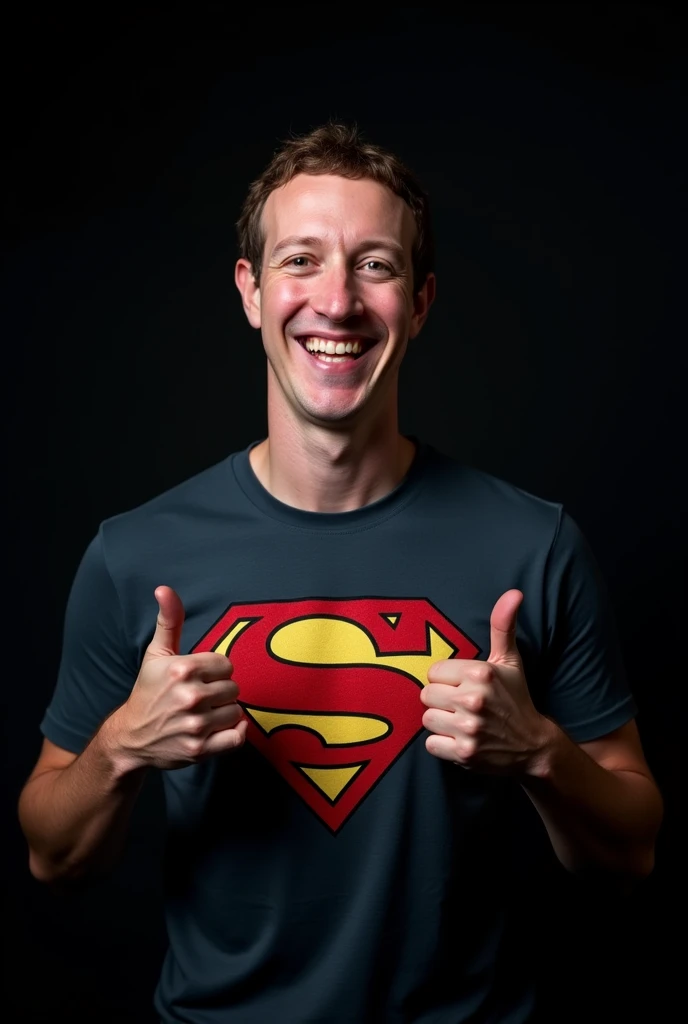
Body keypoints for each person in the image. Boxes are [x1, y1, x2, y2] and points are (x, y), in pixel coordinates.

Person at [19, 121, 663, 1024]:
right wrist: (123, 746)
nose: (337, 301)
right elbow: (54, 857)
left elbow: (632, 854)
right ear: (250, 292)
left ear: (422, 299)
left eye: (375, 266)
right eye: (300, 261)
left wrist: (541, 755)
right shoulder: (135, 555)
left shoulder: (535, 545)